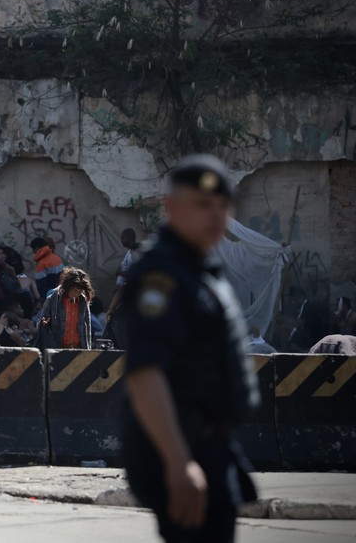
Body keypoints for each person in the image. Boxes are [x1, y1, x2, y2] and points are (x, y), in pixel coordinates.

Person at [117, 154, 259, 543]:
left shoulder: (197, 269)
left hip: (207, 446)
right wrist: (179, 464)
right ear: (172, 208)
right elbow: (146, 373)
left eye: (221, 206)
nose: (215, 216)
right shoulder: (161, 276)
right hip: (180, 449)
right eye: (201, 204)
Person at [35, 267, 94, 350]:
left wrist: (88, 349)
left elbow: (87, 327)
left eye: (79, 291)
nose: (76, 293)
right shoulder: (52, 299)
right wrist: (44, 322)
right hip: (57, 348)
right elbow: (41, 321)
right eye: (74, 290)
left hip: (78, 348)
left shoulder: (83, 302)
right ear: (68, 286)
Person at [106, 228, 142, 322]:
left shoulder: (136, 253)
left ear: (129, 237)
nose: (121, 240)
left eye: (123, 238)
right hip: (122, 291)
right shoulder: (129, 252)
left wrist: (120, 273)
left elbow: (135, 274)